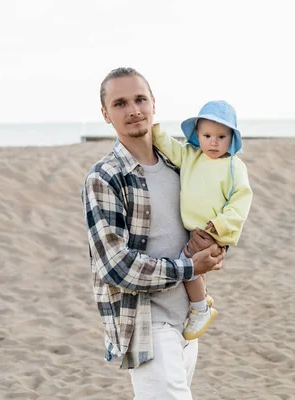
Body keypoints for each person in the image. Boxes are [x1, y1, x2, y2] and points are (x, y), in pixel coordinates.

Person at [82, 66, 225, 399]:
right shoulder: (104, 178)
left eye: (139, 99)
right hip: (146, 323)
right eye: (120, 103)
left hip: (188, 322)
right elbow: (115, 266)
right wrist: (191, 268)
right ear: (105, 114)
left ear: (153, 104)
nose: (133, 110)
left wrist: (216, 250)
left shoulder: (181, 165)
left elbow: (204, 222)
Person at [152, 100, 253, 340]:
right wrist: (155, 130)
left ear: (232, 139)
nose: (214, 142)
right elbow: (170, 147)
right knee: (195, 267)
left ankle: (200, 309)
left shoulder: (233, 166)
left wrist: (221, 224)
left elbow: (241, 199)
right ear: (198, 134)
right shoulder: (191, 155)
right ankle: (202, 295)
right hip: (192, 227)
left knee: (188, 264)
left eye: (221, 136)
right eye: (207, 135)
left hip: (212, 229)